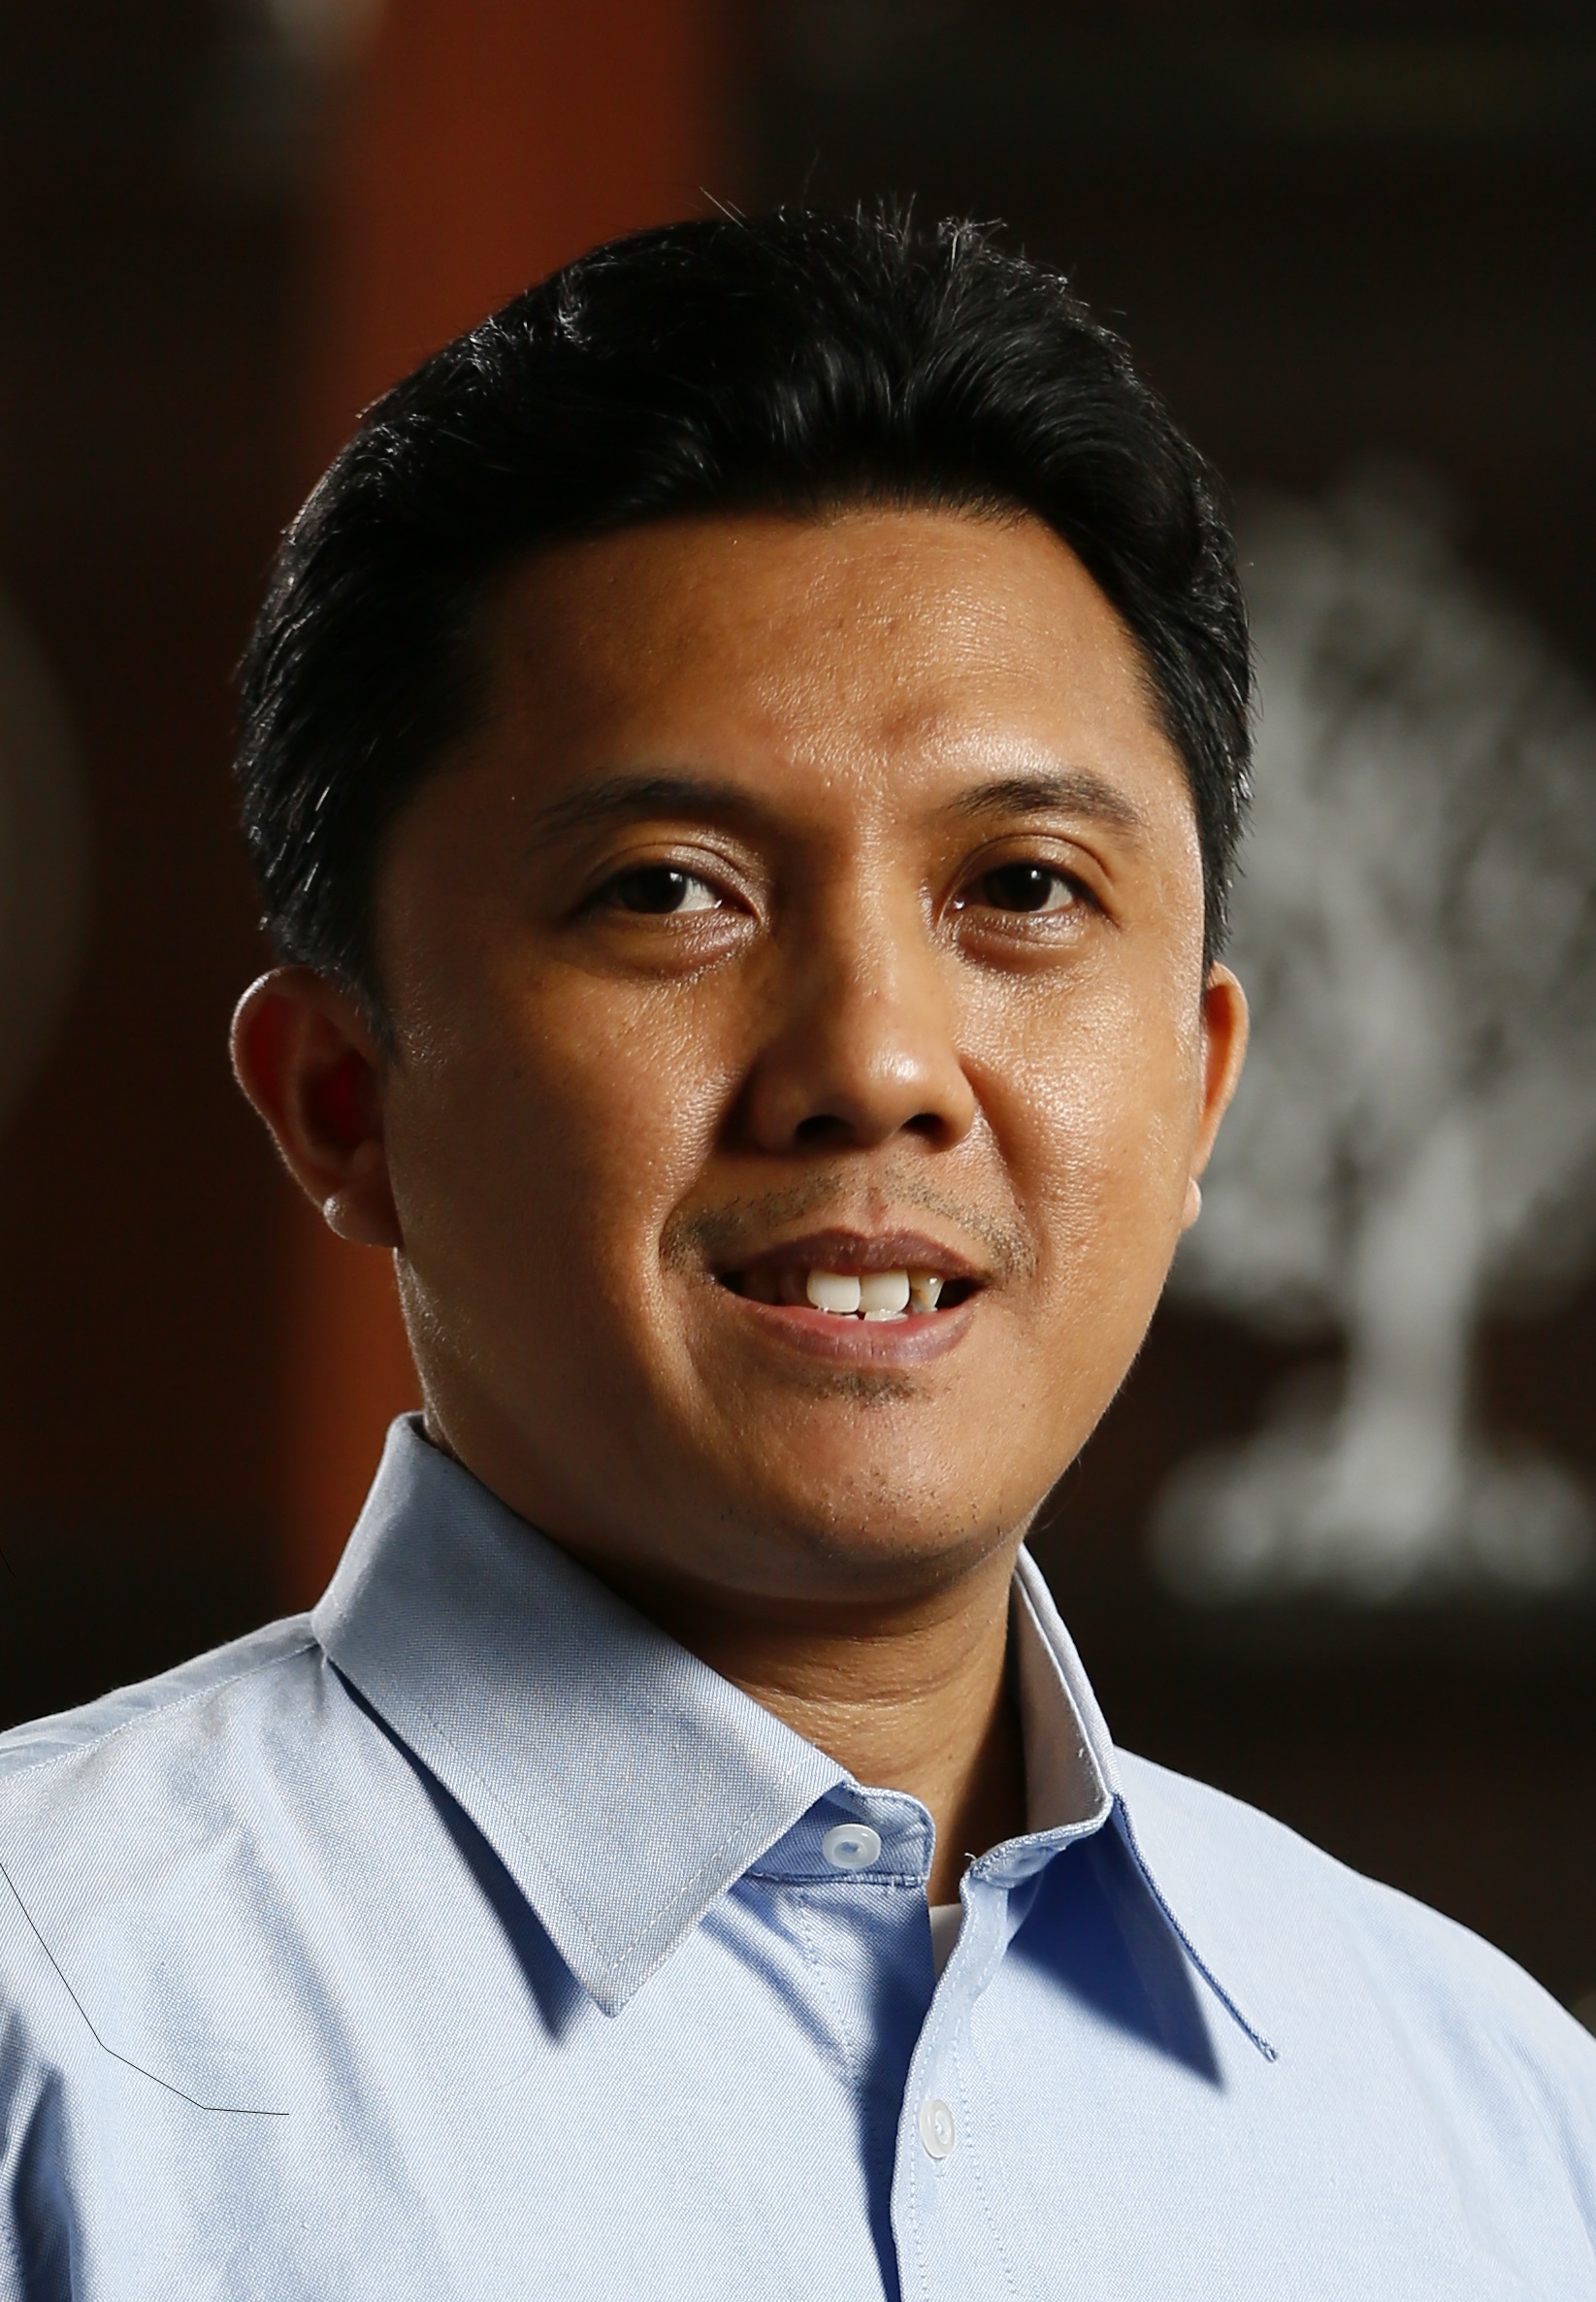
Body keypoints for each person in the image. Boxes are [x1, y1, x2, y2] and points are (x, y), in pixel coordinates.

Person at [2, 209, 1592, 2300]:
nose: (875, 1065)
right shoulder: (53, 2031)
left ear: (1201, 1086)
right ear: (342, 1100)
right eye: (670, 890)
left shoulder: (1494, 2132)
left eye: (1021, 885)